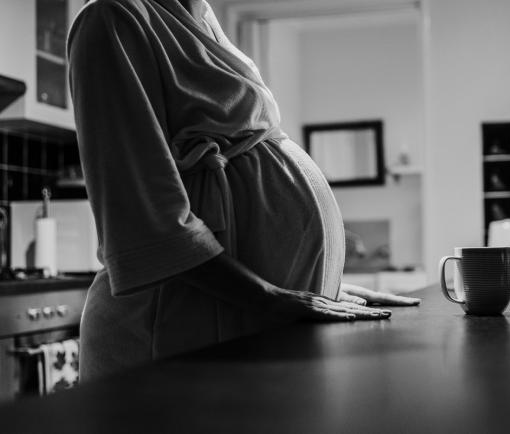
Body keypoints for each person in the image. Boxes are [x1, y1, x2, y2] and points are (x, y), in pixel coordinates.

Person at [67, 0, 421, 381]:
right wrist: (269, 295)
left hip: (236, 312)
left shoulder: (199, 16)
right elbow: (143, 218)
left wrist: (318, 283)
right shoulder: (111, 16)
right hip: (170, 327)